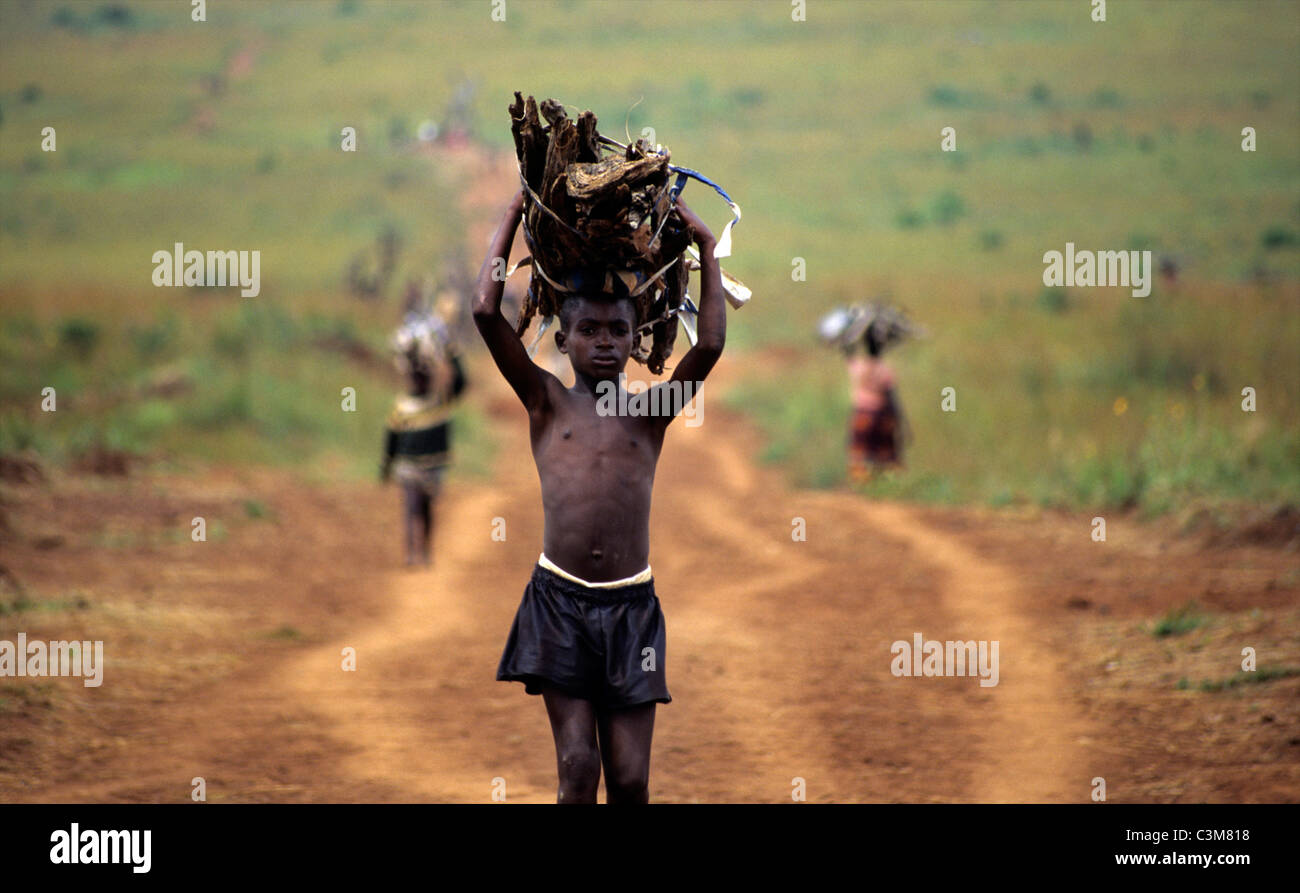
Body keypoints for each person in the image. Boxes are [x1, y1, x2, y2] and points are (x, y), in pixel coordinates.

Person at [472, 188, 725, 804]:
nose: (605, 342)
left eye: (619, 330)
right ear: (564, 340)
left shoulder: (650, 415)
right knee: (579, 770)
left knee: (632, 782)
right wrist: (511, 215)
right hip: (558, 605)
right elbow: (485, 313)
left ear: (639, 339)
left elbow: (710, 346)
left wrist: (708, 249)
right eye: (588, 329)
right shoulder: (545, 402)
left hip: (631, 610)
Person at [381, 307, 467, 567]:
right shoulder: (402, 406)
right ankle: (411, 553)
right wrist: (386, 465)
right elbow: (391, 439)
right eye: (415, 375)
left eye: (423, 375)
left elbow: (462, 381)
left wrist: (451, 350)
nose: (419, 379)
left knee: (426, 508)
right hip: (408, 467)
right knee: (411, 505)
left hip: (434, 466)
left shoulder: (440, 400)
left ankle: (425, 551)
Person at [846, 323, 904, 483]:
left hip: (862, 412)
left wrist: (850, 332)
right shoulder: (885, 369)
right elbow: (892, 396)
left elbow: (847, 351)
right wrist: (899, 419)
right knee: (886, 451)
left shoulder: (858, 366)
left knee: (859, 450)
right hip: (881, 413)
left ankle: (862, 483)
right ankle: (888, 483)